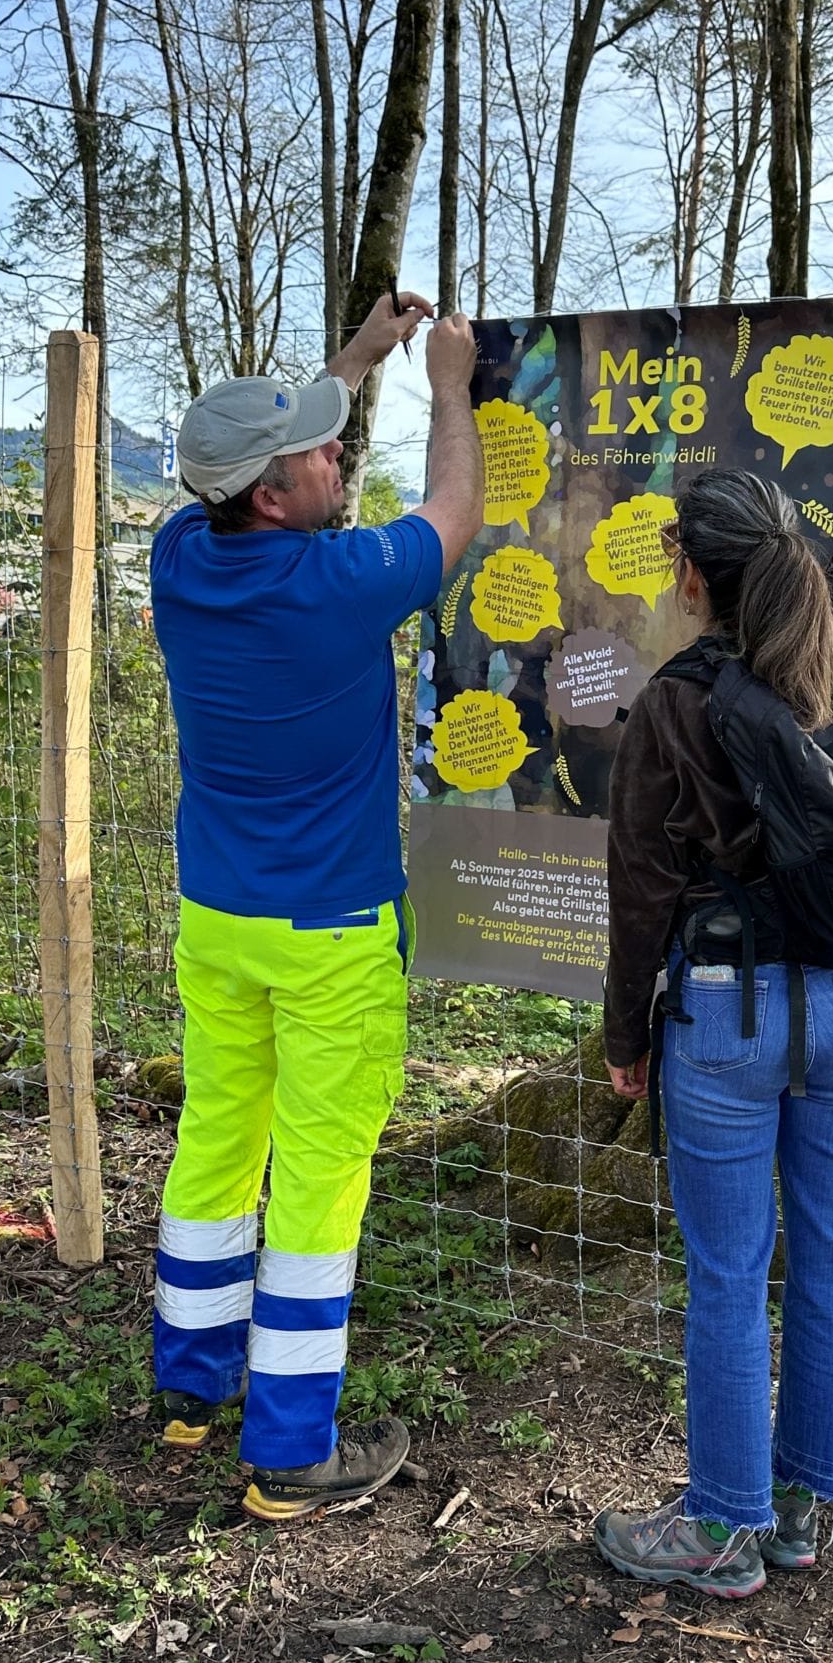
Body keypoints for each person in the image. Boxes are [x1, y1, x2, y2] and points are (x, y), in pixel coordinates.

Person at [593, 277, 833, 1598]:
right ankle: (800, 1514)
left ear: (689, 577)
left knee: (730, 1270)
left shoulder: (672, 706)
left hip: (726, 1017)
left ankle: (722, 1529)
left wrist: (629, 1044)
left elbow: (637, 890)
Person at [149, 293, 484, 1524]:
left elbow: (281, 447)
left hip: (219, 918)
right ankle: (291, 1448)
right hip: (335, 933)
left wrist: (356, 362)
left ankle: (191, 1385)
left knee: (219, 1137)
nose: (338, 451)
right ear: (276, 497)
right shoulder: (341, 583)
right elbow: (455, 516)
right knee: (321, 1179)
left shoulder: (182, 559)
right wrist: (449, 383)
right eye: (319, 452)